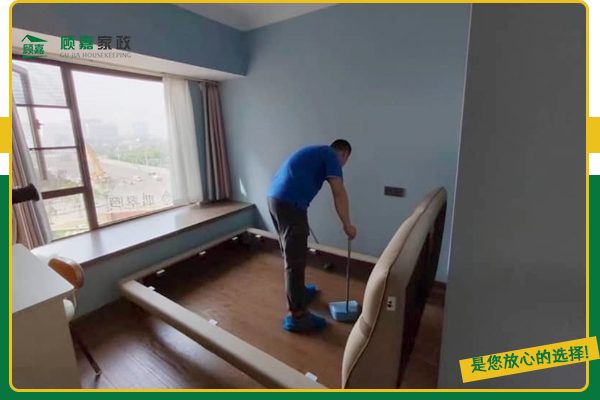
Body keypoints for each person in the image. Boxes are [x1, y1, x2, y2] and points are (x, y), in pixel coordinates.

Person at [267, 139, 357, 332]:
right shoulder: (331, 156)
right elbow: (339, 193)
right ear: (343, 154)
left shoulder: (317, 152)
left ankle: (298, 292)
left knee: (292, 253)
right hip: (290, 205)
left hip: (275, 199)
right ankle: (298, 315)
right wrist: (347, 225)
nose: (343, 165)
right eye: (345, 161)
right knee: (295, 259)